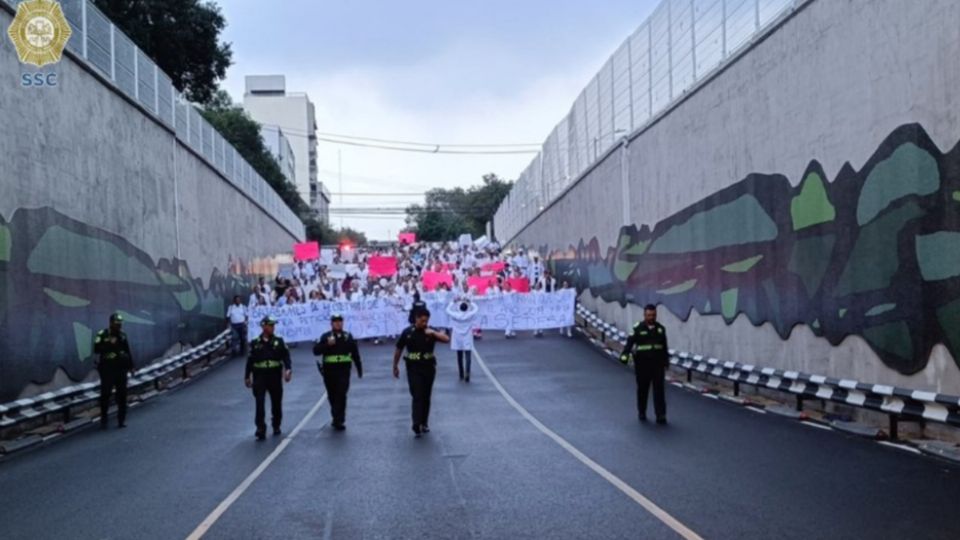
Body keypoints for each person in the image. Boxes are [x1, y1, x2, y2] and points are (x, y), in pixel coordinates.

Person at [393, 309, 450, 437]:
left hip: (428, 367)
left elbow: (446, 339)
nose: (424, 323)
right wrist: (395, 366)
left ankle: (424, 422)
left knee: (426, 395)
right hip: (413, 368)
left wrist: (433, 333)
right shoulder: (408, 332)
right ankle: (416, 423)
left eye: (426, 321)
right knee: (417, 394)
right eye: (422, 320)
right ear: (416, 319)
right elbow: (399, 349)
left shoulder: (430, 331)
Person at [313, 314, 363, 431]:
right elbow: (316, 351)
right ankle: (336, 416)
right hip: (329, 371)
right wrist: (327, 345)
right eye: (335, 321)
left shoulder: (347, 336)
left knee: (341, 394)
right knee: (332, 395)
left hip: (343, 371)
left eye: (340, 321)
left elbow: (355, 353)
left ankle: (339, 419)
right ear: (331, 324)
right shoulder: (326, 336)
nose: (338, 323)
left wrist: (359, 368)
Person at [245, 316, 292, 440]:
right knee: (259, 402)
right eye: (270, 325)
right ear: (263, 326)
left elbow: (286, 357)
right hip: (259, 376)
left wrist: (288, 369)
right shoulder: (255, 343)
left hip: (274, 376)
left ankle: (276, 424)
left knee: (276, 402)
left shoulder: (279, 341)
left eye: (273, 325)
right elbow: (250, 361)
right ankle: (260, 428)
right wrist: (247, 376)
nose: (272, 328)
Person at [620, 304, 669, 425]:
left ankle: (660, 415)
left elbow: (664, 347)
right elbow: (629, 343)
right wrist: (624, 355)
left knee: (659, 390)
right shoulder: (638, 328)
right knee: (643, 389)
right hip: (642, 365)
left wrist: (666, 361)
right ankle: (642, 411)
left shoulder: (661, 329)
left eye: (653, 315)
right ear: (644, 315)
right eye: (649, 315)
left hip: (657, 365)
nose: (651, 317)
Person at [94, 313, 136, 429]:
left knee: (122, 395)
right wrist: (108, 344)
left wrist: (131, 366)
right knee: (106, 394)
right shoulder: (102, 334)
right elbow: (96, 349)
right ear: (111, 323)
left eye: (120, 324)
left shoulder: (122, 336)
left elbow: (127, 351)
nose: (119, 326)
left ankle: (121, 420)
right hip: (107, 369)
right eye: (116, 324)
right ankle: (104, 420)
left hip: (121, 368)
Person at [446, 298, 479, 382]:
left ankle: (461, 373)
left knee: (459, 356)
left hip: (457, 337)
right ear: (467, 308)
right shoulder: (469, 315)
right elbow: (476, 308)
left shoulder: (455, 315)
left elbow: (447, 309)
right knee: (468, 356)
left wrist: (453, 302)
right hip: (467, 336)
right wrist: (470, 301)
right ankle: (467, 373)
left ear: (459, 308)